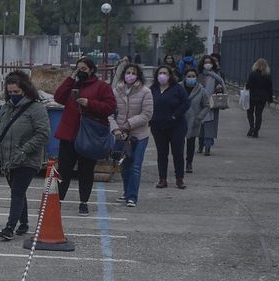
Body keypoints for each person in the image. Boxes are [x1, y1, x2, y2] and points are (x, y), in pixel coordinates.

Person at [52, 56, 116, 215]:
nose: (80, 72)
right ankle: (58, 201)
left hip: (89, 135)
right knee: (64, 170)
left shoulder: (101, 86)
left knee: (86, 170)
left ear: (92, 70)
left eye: (83, 69)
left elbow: (110, 107)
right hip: (69, 134)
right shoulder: (72, 85)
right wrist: (70, 79)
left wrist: (89, 103)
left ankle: (83, 202)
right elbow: (58, 97)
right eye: (78, 69)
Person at [0, 71, 51, 237]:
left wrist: (25, 149)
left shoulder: (36, 108)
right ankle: (23, 224)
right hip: (8, 159)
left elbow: (43, 134)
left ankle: (9, 227)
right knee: (18, 192)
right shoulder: (6, 107)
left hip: (27, 160)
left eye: (16, 92)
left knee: (17, 191)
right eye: (10, 92)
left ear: (25, 89)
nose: (13, 95)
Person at [112, 62, 152, 207]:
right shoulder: (117, 91)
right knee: (124, 164)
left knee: (135, 165)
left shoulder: (145, 92)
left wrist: (130, 123)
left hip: (139, 135)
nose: (130, 75)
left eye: (133, 73)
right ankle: (126, 192)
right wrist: (115, 129)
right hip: (122, 135)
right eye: (128, 72)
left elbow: (147, 114)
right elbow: (111, 113)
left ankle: (132, 197)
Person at [148, 64, 191, 189]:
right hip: (158, 126)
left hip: (176, 125)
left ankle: (179, 178)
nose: (162, 75)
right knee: (162, 153)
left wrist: (175, 115)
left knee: (177, 152)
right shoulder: (153, 89)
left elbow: (186, 103)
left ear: (170, 75)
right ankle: (162, 179)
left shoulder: (177, 88)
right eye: (160, 73)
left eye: (165, 73)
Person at [181, 68, 211, 176]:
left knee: (191, 143)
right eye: (189, 76)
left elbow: (207, 105)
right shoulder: (179, 88)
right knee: (179, 143)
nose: (191, 78)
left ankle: (189, 163)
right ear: (185, 77)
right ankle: (179, 163)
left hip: (194, 121)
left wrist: (199, 117)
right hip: (180, 120)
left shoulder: (201, 90)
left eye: (193, 76)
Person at [195, 55, 224, 156]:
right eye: (206, 62)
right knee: (200, 127)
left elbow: (222, 88)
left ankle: (207, 147)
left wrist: (219, 89)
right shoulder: (199, 75)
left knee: (210, 127)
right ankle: (200, 145)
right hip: (200, 104)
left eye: (210, 62)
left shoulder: (217, 75)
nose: (208, 64)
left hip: (212, 104)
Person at [245, 58, 273, 137]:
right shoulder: (267, 76)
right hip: (262, 97)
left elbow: (248, 85)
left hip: (252, 96)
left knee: (250, 112)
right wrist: (270, 99)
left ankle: (251, 127)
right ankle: (256, 131)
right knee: (259, 114)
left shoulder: (252, 74)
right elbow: (270, 88)